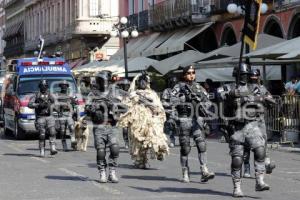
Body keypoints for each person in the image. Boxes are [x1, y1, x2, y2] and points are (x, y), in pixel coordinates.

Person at [219, 63, 270, 197]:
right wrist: (231, 93)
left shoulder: (254, 88)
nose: (244, 77)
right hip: (236, 127)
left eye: (246, 75)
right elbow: (218, 94)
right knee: (237, 159)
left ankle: (259, 181)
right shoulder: (228, 86)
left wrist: (258, 98)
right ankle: (237, 187)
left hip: (252, 124)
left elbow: (268, 98)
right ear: (236, 75)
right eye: (242, 75)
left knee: (260, 150)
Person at [170, 65, 215, 183]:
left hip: (197, 118)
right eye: (189, 73)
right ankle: (185, 172)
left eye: (193, 72)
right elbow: (170, 100)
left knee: (201, 144)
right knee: (185, 148)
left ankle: (204, 170)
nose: (191, 75)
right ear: (184, 74)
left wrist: (202, 105)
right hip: (184, 118)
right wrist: (184, 99)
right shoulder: (179, 87)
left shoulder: (199, 87)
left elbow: (208, 102)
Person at [117, 71, 169, 169]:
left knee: (155, 135)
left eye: (145, 81)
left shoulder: (152, 94)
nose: (143, 83)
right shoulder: (133, 94)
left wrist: (150, 105)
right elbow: (126, 105)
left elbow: (159, 107)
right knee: (138, 141)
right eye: (141, 81)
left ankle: (159, 151)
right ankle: (141, 160)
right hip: (137, 122)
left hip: (151, 119)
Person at [85, 71, 120, 183]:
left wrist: (113, 105)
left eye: (106, 81)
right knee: (101, 151)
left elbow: (125, 107)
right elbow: (87, 108)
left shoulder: (114, 93)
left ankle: (112, 171)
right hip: (99, 126)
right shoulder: (93, 94)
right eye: (102, 81)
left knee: (114, 149)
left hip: (112, 125)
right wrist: (96, 106)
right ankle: (102, 172)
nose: (104, 84)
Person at [243, 69, 276, 178]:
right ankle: (247, 167)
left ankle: (266, 164)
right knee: (247, 144)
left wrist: (266, 99)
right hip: (247, 119)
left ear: (258, 76)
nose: (253, 78)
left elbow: (272, 101)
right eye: (251, 76)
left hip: (260, 119)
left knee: (263, 141)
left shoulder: (262, 89)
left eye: (255, 76)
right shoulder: (244, 88)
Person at [28, 79, 57, 157]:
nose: (44, 87)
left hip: (49, 116)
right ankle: (42, 150)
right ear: (40, 86)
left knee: (52, 132)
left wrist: (52, 104)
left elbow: (56, 103)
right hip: (40, 117)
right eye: (42, 86)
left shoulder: (50, 94)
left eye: (45, 86)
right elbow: (29, 104)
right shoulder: (36, 95)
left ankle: (53, 148)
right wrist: (38, 105)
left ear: (47, 86)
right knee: (42, 135)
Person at [54, 80, 78, 151]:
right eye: (62, 86)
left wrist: (73, 102)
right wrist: (58, 108)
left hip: (69, 114)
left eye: (65, 86)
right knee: (62, 131)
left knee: (72, 127)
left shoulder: (70, 95)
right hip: (62, 114)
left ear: (67, 87)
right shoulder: (57, 95)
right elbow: (55, 105)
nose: (64, 87)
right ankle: (64, 145)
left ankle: (73, 140)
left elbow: (75, 104)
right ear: (60, 87)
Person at [161, 76, 179, 147]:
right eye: (173, 83)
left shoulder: (180, 90)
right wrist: (169, 104)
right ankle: (172, 139)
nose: (174, 84)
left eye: (175, 83)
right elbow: (163, 102)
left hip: (181, 109)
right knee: (171, 123)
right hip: (171, 110)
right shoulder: (167, 91)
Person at [116, 78, 131, 149]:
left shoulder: (132, 92)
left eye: (127, 85)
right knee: (125, 129)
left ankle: (132, 141)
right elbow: (118, 102)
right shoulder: (119, 92)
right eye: (124, 85)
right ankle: (126, 142)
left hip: (132, 113)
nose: (126, 87)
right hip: (123, 113)